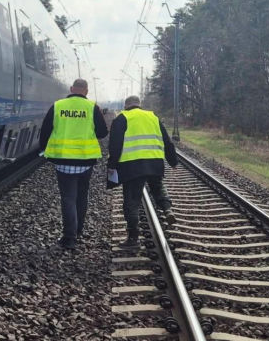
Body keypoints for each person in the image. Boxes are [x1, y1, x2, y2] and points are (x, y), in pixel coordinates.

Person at [39, 78, 109, 250]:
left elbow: (45, 131)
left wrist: (44, 152)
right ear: (86, 91)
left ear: (71, 89)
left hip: (63, 161)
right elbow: (102, 133)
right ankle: (78, 231)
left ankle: (69, 238)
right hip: (86, 161)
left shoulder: (57, 106)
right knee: (82, 196)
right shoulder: (92, 107)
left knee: (68, 198)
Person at [107, 95, 177, 247]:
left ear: (126, 106)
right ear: (140, 105)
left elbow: (115, 146)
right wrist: (173, 161)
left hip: (132, 166)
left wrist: (112, 165)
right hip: (154, 163)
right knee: (158, 187)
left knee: (132, 201)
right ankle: (167, 209)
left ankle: (133, 237)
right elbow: (167, 141)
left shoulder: (122, 118)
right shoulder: (153, 117)